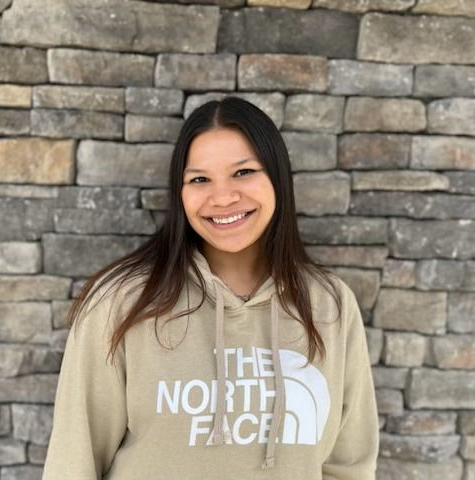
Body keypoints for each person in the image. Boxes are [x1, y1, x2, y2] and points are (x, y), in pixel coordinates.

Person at [42, 96, 379, 480]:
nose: (223, 197)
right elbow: (73, 462)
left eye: (243, 172)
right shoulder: (121, 302)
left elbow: (349, 466)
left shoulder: (329, 304)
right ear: (180, 192)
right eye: (200, 179)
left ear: (278, 177)